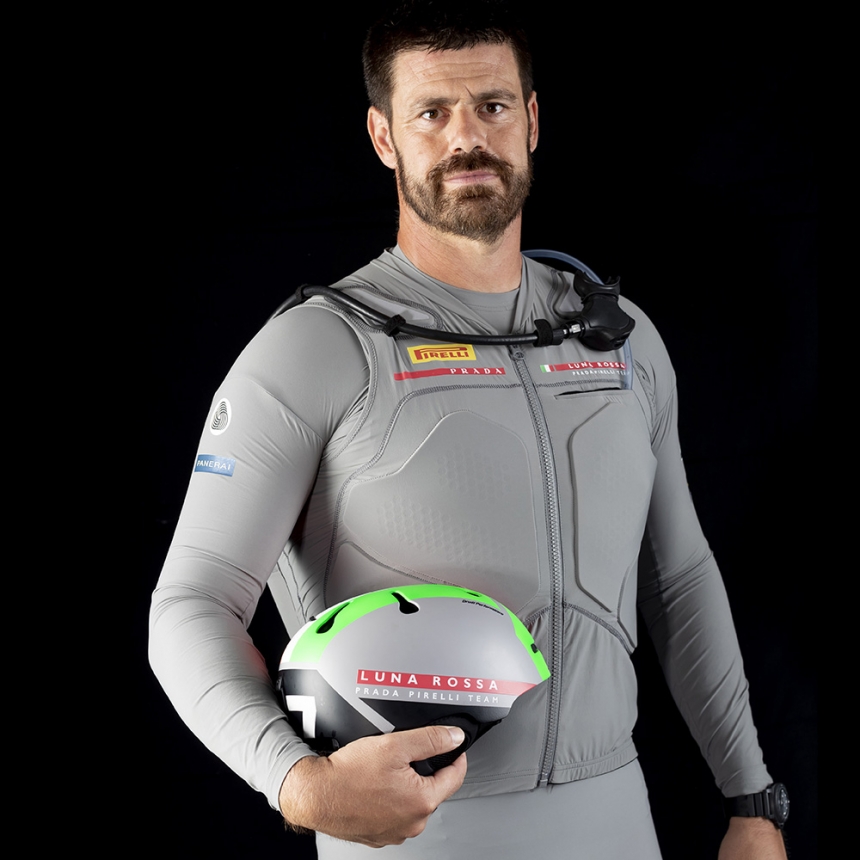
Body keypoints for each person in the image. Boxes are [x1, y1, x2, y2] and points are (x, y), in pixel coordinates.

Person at [149, 2, 789, 857]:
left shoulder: (619, 338)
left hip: (617, 817)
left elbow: (679, 579)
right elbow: (192, 602)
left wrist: (751, 798)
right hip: (415, 834)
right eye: (431, 112)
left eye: (491, 106)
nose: (467, 138)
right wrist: (298, 782)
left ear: (531, 121)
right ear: (383, 136)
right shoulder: (314, 350)